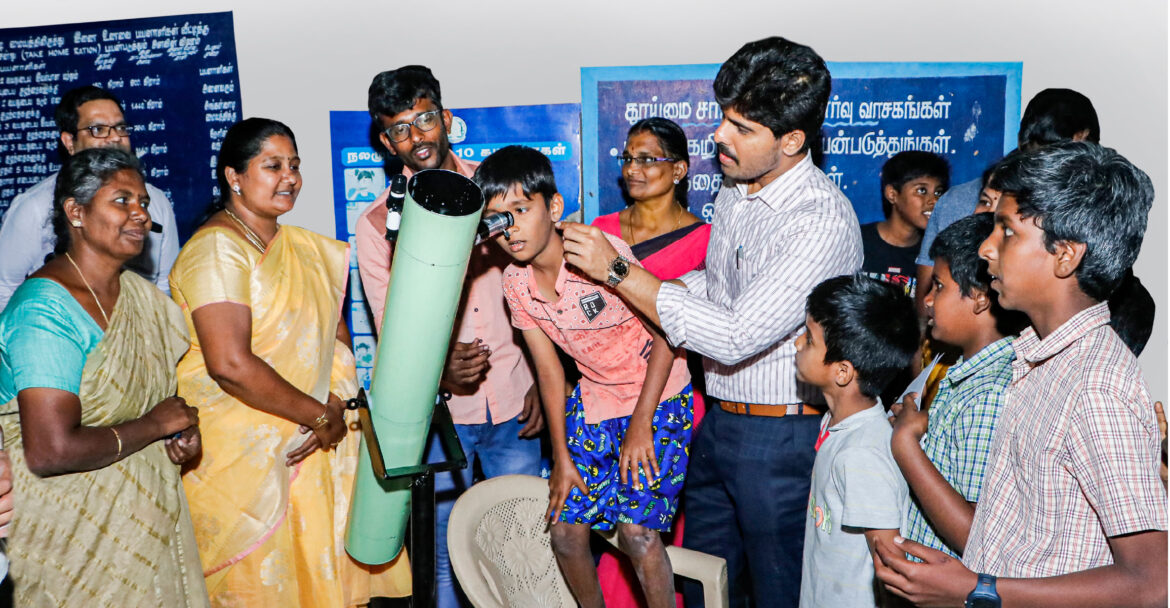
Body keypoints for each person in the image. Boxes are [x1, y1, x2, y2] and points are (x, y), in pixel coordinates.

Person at [560, 37, 862, 607]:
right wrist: (647, 296)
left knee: (776, 592)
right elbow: (716, 286)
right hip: (718, 422)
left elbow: (734, 334)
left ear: (792, 140)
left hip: (780, 437)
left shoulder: (818, 220)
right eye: (723, 117)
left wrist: (620, 272)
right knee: (701, 585)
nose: (719, 136)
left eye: (741, 127)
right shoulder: (735, 189)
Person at [875, 142, 1167, 607]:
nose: (986, 248)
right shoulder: (1037, 361)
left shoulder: (1095, 387)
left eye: (1008, 231)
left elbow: (1152, 583)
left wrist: (978, 591)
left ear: (1065, 255)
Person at [170, 118, 410, 605]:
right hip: (246, 457)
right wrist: (318, 414)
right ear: (234, 176)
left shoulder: (306, 249)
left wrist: (337, 403)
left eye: (294, 166)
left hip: (314, 438)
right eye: (273, 166)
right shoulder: (215, 249)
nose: (290, 178)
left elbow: (335, 340)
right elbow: (229, 364)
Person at [355, 65, 542, 608]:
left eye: (424, 119)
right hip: (436, 417)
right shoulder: (376, 225)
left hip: (515, 402)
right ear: (386, 142)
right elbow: (390, 327)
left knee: (524, 547)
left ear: (445, 117)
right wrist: (436, 368)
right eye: (399, 129)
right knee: (441, 555)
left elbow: (543, 285)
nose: (416, 137)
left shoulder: (499, 190)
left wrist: (541, 379)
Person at [478, 145, 692, 608]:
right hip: (595, 401)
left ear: (554, 208)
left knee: (637, 534)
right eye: (498, 219)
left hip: (658, 395)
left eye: (521, 210)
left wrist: (641, 422)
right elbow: (549, 371)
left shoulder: (596, 252)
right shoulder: (515, 283)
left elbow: (667, 330)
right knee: (565, 533)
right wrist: (561, 458)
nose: (510, 229)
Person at [0, 148, 205, 605]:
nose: (141, 214)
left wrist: (180, 438)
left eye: (144, 203)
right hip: (72, 538)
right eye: (122, 201)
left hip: (148, 524)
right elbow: (50, 450)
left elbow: (162, 407)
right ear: (76, 212)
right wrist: (155, 426)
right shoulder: (44, 310)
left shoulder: (144, 301)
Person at [590, 116, 710, 608]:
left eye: (647, 159)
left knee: (651, 529)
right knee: (611, 532)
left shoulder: (704, 240)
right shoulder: (599, 233)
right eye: (628, 158)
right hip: (603, 398)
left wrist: (643, 418)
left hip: (669, 399)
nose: (633, 169)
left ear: (679, 169)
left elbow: (680, 332)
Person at [889, 214, 1026, 559]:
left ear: (979, 297)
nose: (928, 300)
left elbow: (972, 535)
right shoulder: (966, 372)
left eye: (939, 286)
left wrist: (906, 445)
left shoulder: (991, 393)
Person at [913, 88, 1101, 314]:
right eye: (986, 202)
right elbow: (927, 295)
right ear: (1081, 138)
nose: (986, 249)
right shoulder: (957, 201)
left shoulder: (1089, 211)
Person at [795, 274, 917, 607]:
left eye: (809, 339)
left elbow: (890, 566)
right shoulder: (840, 425)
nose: (797, 344)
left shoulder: (863, 454)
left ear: (842, 372)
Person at [0, 85, 179, 312]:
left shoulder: (157, 202)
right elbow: (4, 289)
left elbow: (163, 288)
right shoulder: (34, 206)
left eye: (120, 128)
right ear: (69, 142)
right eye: (98, 129)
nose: (115, 138)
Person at [860, 150, 949, 296]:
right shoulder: (858, 241)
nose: (934, 200)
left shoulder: (937, 253)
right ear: (892, 194)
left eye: (938, 192)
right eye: (922, 190)